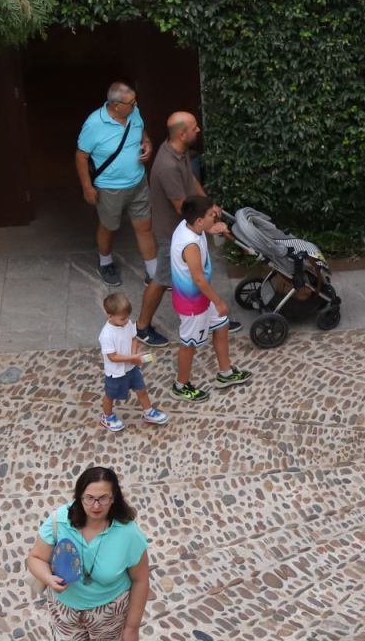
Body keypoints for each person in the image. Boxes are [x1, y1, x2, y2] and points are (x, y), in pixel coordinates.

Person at [26, 466, 152, 641]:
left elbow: (141, 581)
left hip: (110, 611)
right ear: (79, 497)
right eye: (89, 498)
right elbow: (35, 557)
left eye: (103, 498)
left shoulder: (129, 534)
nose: (96, 505)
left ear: (114, 498)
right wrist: (48, 577)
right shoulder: (60, 520)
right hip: (66, 610)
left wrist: (132, 627)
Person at [135, 109, 234, 347]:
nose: (198, 130)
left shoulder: (179, 151)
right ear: (182, 134)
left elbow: (190, 179)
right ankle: (142, 327)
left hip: (186, 226)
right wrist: (210, 226)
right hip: (173, 232)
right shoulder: (168, 165)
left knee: (197, 273)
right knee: (161, 279)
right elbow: (183, 207)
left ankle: (213, 317)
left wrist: (209, 205)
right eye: (194, 127)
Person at [168, 197, 252, 401]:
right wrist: (219, 302)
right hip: (193, 303)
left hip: (201, 299)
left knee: (221, 326)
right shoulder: (190, 245)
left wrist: (211, 228)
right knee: (189, 343)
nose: (214, 216)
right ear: (198, 221)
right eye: (210, 215)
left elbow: (201, 222)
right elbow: (198, 278)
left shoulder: (188, 225)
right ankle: (181, 385)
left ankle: (225, 374)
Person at [74, 81, 155, 288]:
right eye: (131, 103)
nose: (135, 105)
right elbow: (81, 156)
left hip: (138, 182)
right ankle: (105, 262)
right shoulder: (94, 124)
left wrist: (147, 143)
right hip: (110, 187)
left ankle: (153, 272)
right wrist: (87, 187)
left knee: (144, 226)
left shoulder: (133, 113)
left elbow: (142, 132)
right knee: (109, 227)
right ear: (116, 105)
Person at [95, 291, 169, 432]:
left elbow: (134, 337)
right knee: (110, 395)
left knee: (141, 389)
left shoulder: (128, 323)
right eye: (123, 318)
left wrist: (134, 354)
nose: (127, 320)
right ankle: (107, 416)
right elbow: (112, 357)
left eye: (128, 317)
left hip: (131, 368)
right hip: (115, 372)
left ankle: (148, 411)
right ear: (110, 316)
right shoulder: (106, 335)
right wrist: (132, 358)